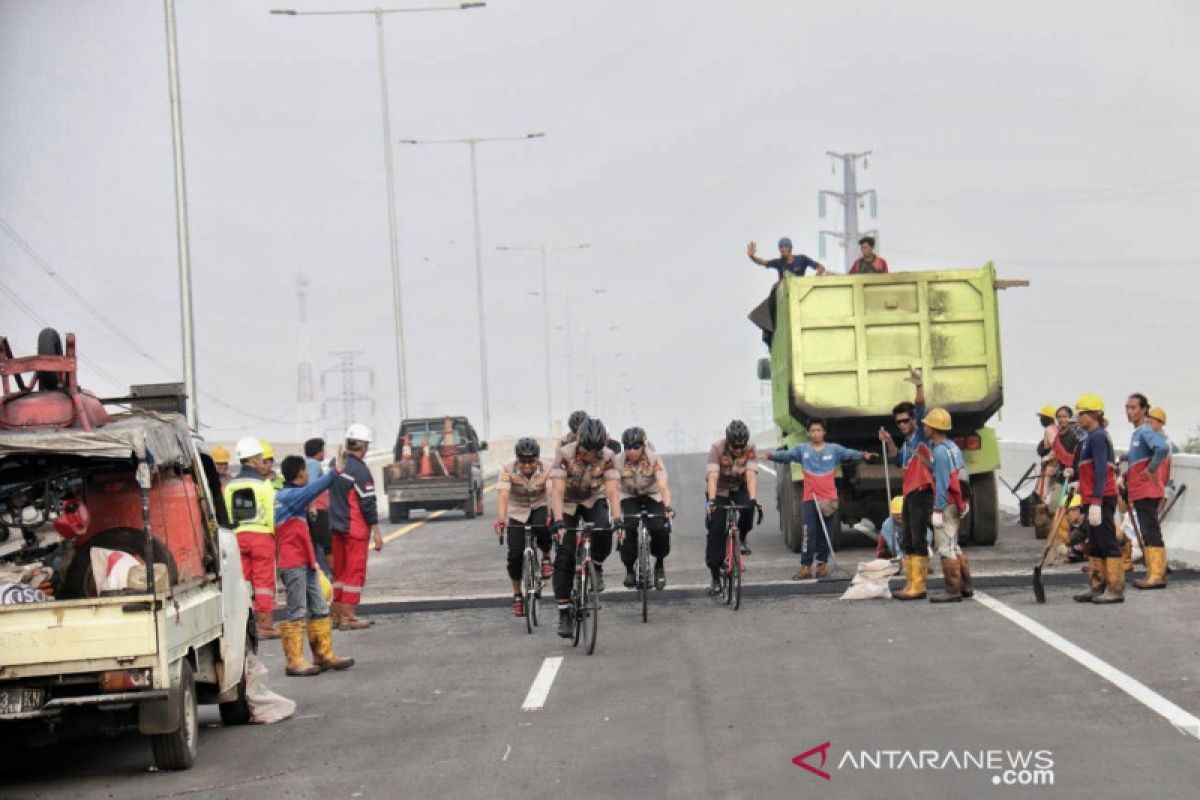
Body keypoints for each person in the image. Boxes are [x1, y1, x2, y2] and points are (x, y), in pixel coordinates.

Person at [763, 419, 876, 579]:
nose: (816, 433)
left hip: (829, 499)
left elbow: (850, 453)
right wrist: (769, 455)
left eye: (819, 430)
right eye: (813, 430)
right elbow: (785, 456)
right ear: (808, 433)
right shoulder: (802, 450)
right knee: (808, 533)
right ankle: (806, 567)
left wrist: (864, 454)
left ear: (824, 433)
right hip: (810, 499)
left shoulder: (834, 450)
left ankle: (822, 565)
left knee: (827, 533)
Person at [273, 455, 354, 676]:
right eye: (306, 471)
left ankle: (323, 655)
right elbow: (316, 489)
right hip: (293, 563)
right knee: (296, 610)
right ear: (301, 474)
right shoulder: (290, 496)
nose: (308, 475)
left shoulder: (286, 496)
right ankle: (295, 661)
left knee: (319, 606)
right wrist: (334, 472)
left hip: (305, 561)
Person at [550, 418, 622, 637]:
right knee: (564, 555)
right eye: (588, 450)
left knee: (604, 528)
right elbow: (558, 492)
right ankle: (564, 612)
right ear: (579, 441)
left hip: (593, 498)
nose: (592, 455)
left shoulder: (608, 457)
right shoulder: (565, 454)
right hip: (569, 502)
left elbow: (611, 492)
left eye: (596, 450)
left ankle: (597, 566)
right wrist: (558, 521)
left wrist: (618, 519)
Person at [879, 367, 933, 600]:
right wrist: (889, 441)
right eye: (898, 422)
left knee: (918, 538)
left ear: (913, 421)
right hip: (910, 493)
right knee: (909, 538)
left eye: (905, 420)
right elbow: (895, 458)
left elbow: (921, 408)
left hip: (921, 492)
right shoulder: (908, 442)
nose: (901, 424)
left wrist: (919, 385)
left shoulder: (920, 435)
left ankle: (918, 586)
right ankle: (912, 583)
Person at [329, 423, 384, 629]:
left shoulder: (336, 464)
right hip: (355, 529)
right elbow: (368, 503)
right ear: (364, 446)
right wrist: (376, 532)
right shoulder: (360, 470)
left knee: (340, 573)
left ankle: (337, 614)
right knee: (354, 573)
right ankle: (349, 616)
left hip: (335, 527)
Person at [224, 437, 280, 639]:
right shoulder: (264, 485)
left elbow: (228, 515)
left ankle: (246, 628)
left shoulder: (230, 486)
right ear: (255, 459)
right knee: (264, 583)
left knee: (244, 582)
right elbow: (272, 514)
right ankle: (265, 626)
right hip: (262, 537)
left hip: (238, 537)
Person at [1070, 395, 1123, 604]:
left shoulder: (1098, 437)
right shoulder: (1090, 438)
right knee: (1095, 544)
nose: (1079, 418)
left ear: (1092, 414)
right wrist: (1079, 486)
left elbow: (1102, 471)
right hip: (1091, 496)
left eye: (1081, 413)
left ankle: (1115, 588)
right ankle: (1097, 584)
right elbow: (1089, 471)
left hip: (1101, 498)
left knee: (1107, 542)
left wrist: (1097, 502)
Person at [495, 437, 553, 617]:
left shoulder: (548, 468)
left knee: (544, 528)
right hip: (517, 511)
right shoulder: (507, 469)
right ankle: (517, 596)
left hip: (539, 505)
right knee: (514, 554)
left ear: (538, 459)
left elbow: (550, 493)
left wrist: (551, 515)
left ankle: (545, 558)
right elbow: (503, 496)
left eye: (531, 461)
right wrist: (501, 519)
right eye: (523, 460)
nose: (527, 465)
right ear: (517, 459)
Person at [704, 420, 760, 596]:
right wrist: (711, 501)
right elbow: (712, 477)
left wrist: (753, 499)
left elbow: (750, 476)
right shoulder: (717, 448)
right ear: (728, 442)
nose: (738, 449)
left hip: (739, 486)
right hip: (719, 490)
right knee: (715, 530)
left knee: (748, 507)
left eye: (741, 446)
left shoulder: (750, 448)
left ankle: (741, 537)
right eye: (735, 446)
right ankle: (714, 578)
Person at [614, 427, 673, 591]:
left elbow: (662, 484)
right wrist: (616, 514)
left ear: (643, 445)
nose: (631, 451)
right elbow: (613, 487)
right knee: (627, 528)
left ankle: (659, 565)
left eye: (635, 446)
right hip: (629, 495)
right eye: (627, 447)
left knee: (659, 527)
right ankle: (629, 570)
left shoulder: (654, 458)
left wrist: (667, 507)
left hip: (652, 495)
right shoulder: (617, 461)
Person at [923, 408, 972, 602]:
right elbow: (962, 473)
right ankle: (966, 585)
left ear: (933, 428)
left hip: (947, 504)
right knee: (954, 545)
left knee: (945, 547)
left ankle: (952, 590)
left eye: (927, 424)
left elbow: (942, 482)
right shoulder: (952, 446)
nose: (924, 427)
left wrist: (937, 509)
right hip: (957, 501)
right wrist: (964, 501)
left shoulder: (940, 452)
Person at [1123, 398, 1172, 590]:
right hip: (1139, 489)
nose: (1129, 411)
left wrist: (1151, 469)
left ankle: (1157, 574)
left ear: (1144, 410)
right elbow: (1137, 461)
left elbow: (1162, 448)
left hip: (1147, 489)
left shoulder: (1144, 431)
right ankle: (1153, 571)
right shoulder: (1137, 433)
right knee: (1147, 530)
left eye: (1133, 408)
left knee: (1150, 531)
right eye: (1127, 407)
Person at [303, 438, 333, 579]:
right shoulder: (314, 464)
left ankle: (317, 574)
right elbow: (313, 486)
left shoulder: (305, 464)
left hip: (308, 509)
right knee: (326, 544)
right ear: (319, 451)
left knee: (314, 544)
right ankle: (329, 575)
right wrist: (313, 506)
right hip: (318, 510)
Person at [747, 237, 827, 282]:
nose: (783, 249)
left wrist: (813, 282)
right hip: (785, 294)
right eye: (781, 247)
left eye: (785, 246)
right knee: (774, 290)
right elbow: (763, 262)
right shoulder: (779, 262)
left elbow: (821, 268)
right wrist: (752, 257)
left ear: (790, 248)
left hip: (800, 291)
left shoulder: (802, 259)